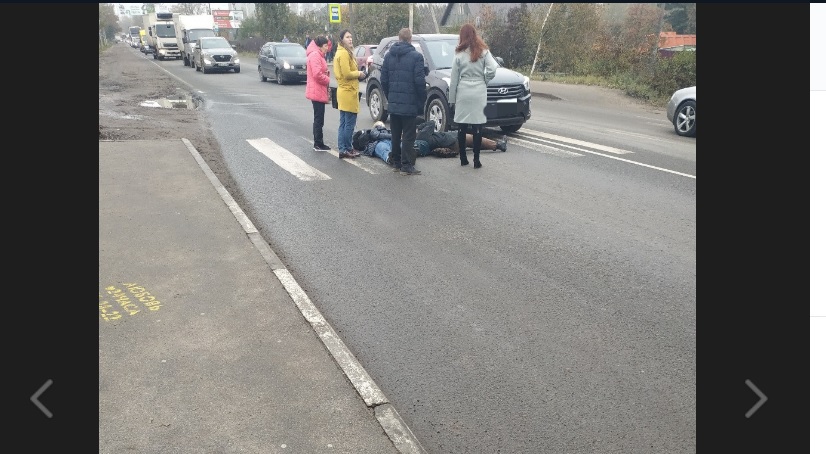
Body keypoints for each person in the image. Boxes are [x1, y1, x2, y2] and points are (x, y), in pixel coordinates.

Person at [449, 23, 498, 169]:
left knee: (462, 126)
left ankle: (463, 158)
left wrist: (452, 100)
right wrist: (484, 80)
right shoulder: (484, 51)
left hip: (463, 91)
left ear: (462, 36)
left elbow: (454, 80)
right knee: (478, 126)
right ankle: (477, 160)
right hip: (479, 91)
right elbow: (493, 69)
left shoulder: (458, 54)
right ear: (475, 34)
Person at [380, 27, 426, 175]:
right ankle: (406, 165)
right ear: (410, 39)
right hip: (410, 103)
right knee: (408, 135)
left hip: (394, 102)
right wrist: (422, 99)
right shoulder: (416, 57)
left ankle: (396, 162)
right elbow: (419, 81)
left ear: (398, 39)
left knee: (395, 133)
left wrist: (390, 96)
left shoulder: (388, 56)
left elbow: (384, 80)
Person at [333, 29, 366, 159]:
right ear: (342, 40)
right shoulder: (344, 54)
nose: (350, 39)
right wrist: (359, 73)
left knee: (343, 122)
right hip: (348, 91)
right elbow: (347, 74)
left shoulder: (342, 52)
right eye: (347, 37)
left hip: (344, 91)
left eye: (351, 37)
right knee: (349, 124)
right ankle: (347, 148)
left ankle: (342, 148)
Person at [413, 120, 507, 157]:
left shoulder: (421, 146)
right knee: (475, 139)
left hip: (449, 148)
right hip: (452, 140)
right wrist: (420, 127)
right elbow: (432, 123)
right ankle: (499, 145)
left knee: (473, 144)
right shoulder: (422, 134)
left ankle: (496, 145)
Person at [306, 35, 332, 151]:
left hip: (318, 90)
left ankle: (319, 142)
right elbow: (317, 74)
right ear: (320, 46)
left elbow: (319, 71)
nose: (327, 48)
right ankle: (318, 143)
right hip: (317, 90)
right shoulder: (315, 55)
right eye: (325, 46)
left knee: (319, 118)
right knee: (318, 118)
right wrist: (327, 79)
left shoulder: (318, 54)